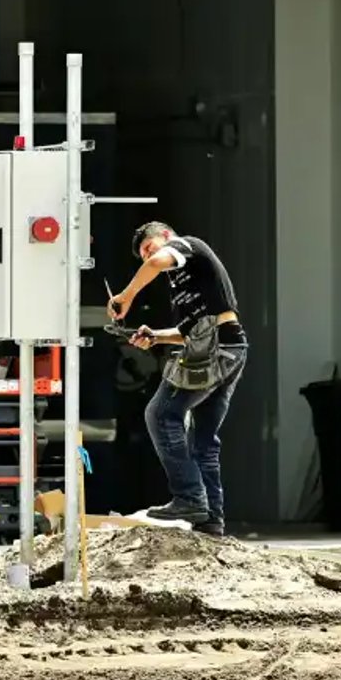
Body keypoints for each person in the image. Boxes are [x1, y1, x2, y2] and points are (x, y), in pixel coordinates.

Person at [107, 222, 247, 537]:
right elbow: (189, 332)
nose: (147, 257)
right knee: (203, 441)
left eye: (148, 248)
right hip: (230, 348)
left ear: (167, 236)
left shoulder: (188, 245)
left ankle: (189, 498)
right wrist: (156, 336)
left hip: (216, 349)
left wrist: (125, 296)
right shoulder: (187, 280)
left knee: (160, 413)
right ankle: (211, 521)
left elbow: (157, 262)